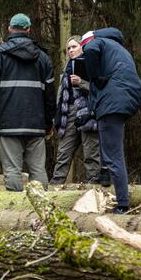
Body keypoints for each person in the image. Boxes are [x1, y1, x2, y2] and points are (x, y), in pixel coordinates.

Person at [0, 14, 56, 191]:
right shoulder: (43, 58)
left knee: (12, 170)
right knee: (38, 170)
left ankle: (15, 213)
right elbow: (50, 95)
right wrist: (49, 122)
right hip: (36, 124)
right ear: (28, 30)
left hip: (7, 124)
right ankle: (44, 213)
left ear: (9, 29)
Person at [80, 28, 141, 214]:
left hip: (114, 102)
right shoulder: (116, 49)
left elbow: (91, 52)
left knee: (113, 154)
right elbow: (103, 88)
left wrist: (93, 76)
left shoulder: (94, 42)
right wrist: (90, 114)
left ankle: (123, 204)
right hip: (125, 99)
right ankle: (107, 179)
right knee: (110, 149)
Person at [50, 35, 100, 184]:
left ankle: (94, 185)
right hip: (69, 113)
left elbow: (99, 89)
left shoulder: (92, 64)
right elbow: (60, 95)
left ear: (81, 47)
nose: (71, 50)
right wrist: (57, 115)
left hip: (87, 112)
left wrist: (82, 82)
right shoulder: (66, 68)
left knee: (91, 152)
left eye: (74, 47)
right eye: (69, 48)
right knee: (63, 152)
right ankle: (56, 185)